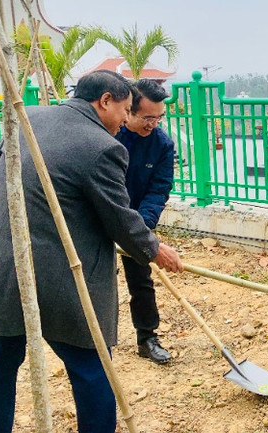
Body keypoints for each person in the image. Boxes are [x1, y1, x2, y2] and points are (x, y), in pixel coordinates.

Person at [0, 70, 183, 433]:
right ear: (104, 101)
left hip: (3, 264)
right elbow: (119, 218)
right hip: (64, 275)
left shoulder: (31, 117)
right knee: (92, 367)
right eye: (125, 110)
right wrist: (154, 248)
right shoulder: (102, 146)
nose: (126, 119)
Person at [116, 79, 175, 364]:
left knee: (141, 280)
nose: (153, 124)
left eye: (159, 117)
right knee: (91, 277)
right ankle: (92, 341)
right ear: (128, 111)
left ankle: (147, 337)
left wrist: (141, 226)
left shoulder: (162, 144)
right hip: (98, 216)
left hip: (137, 219)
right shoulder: (109, 135)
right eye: (147, 117)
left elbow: (159, 188)